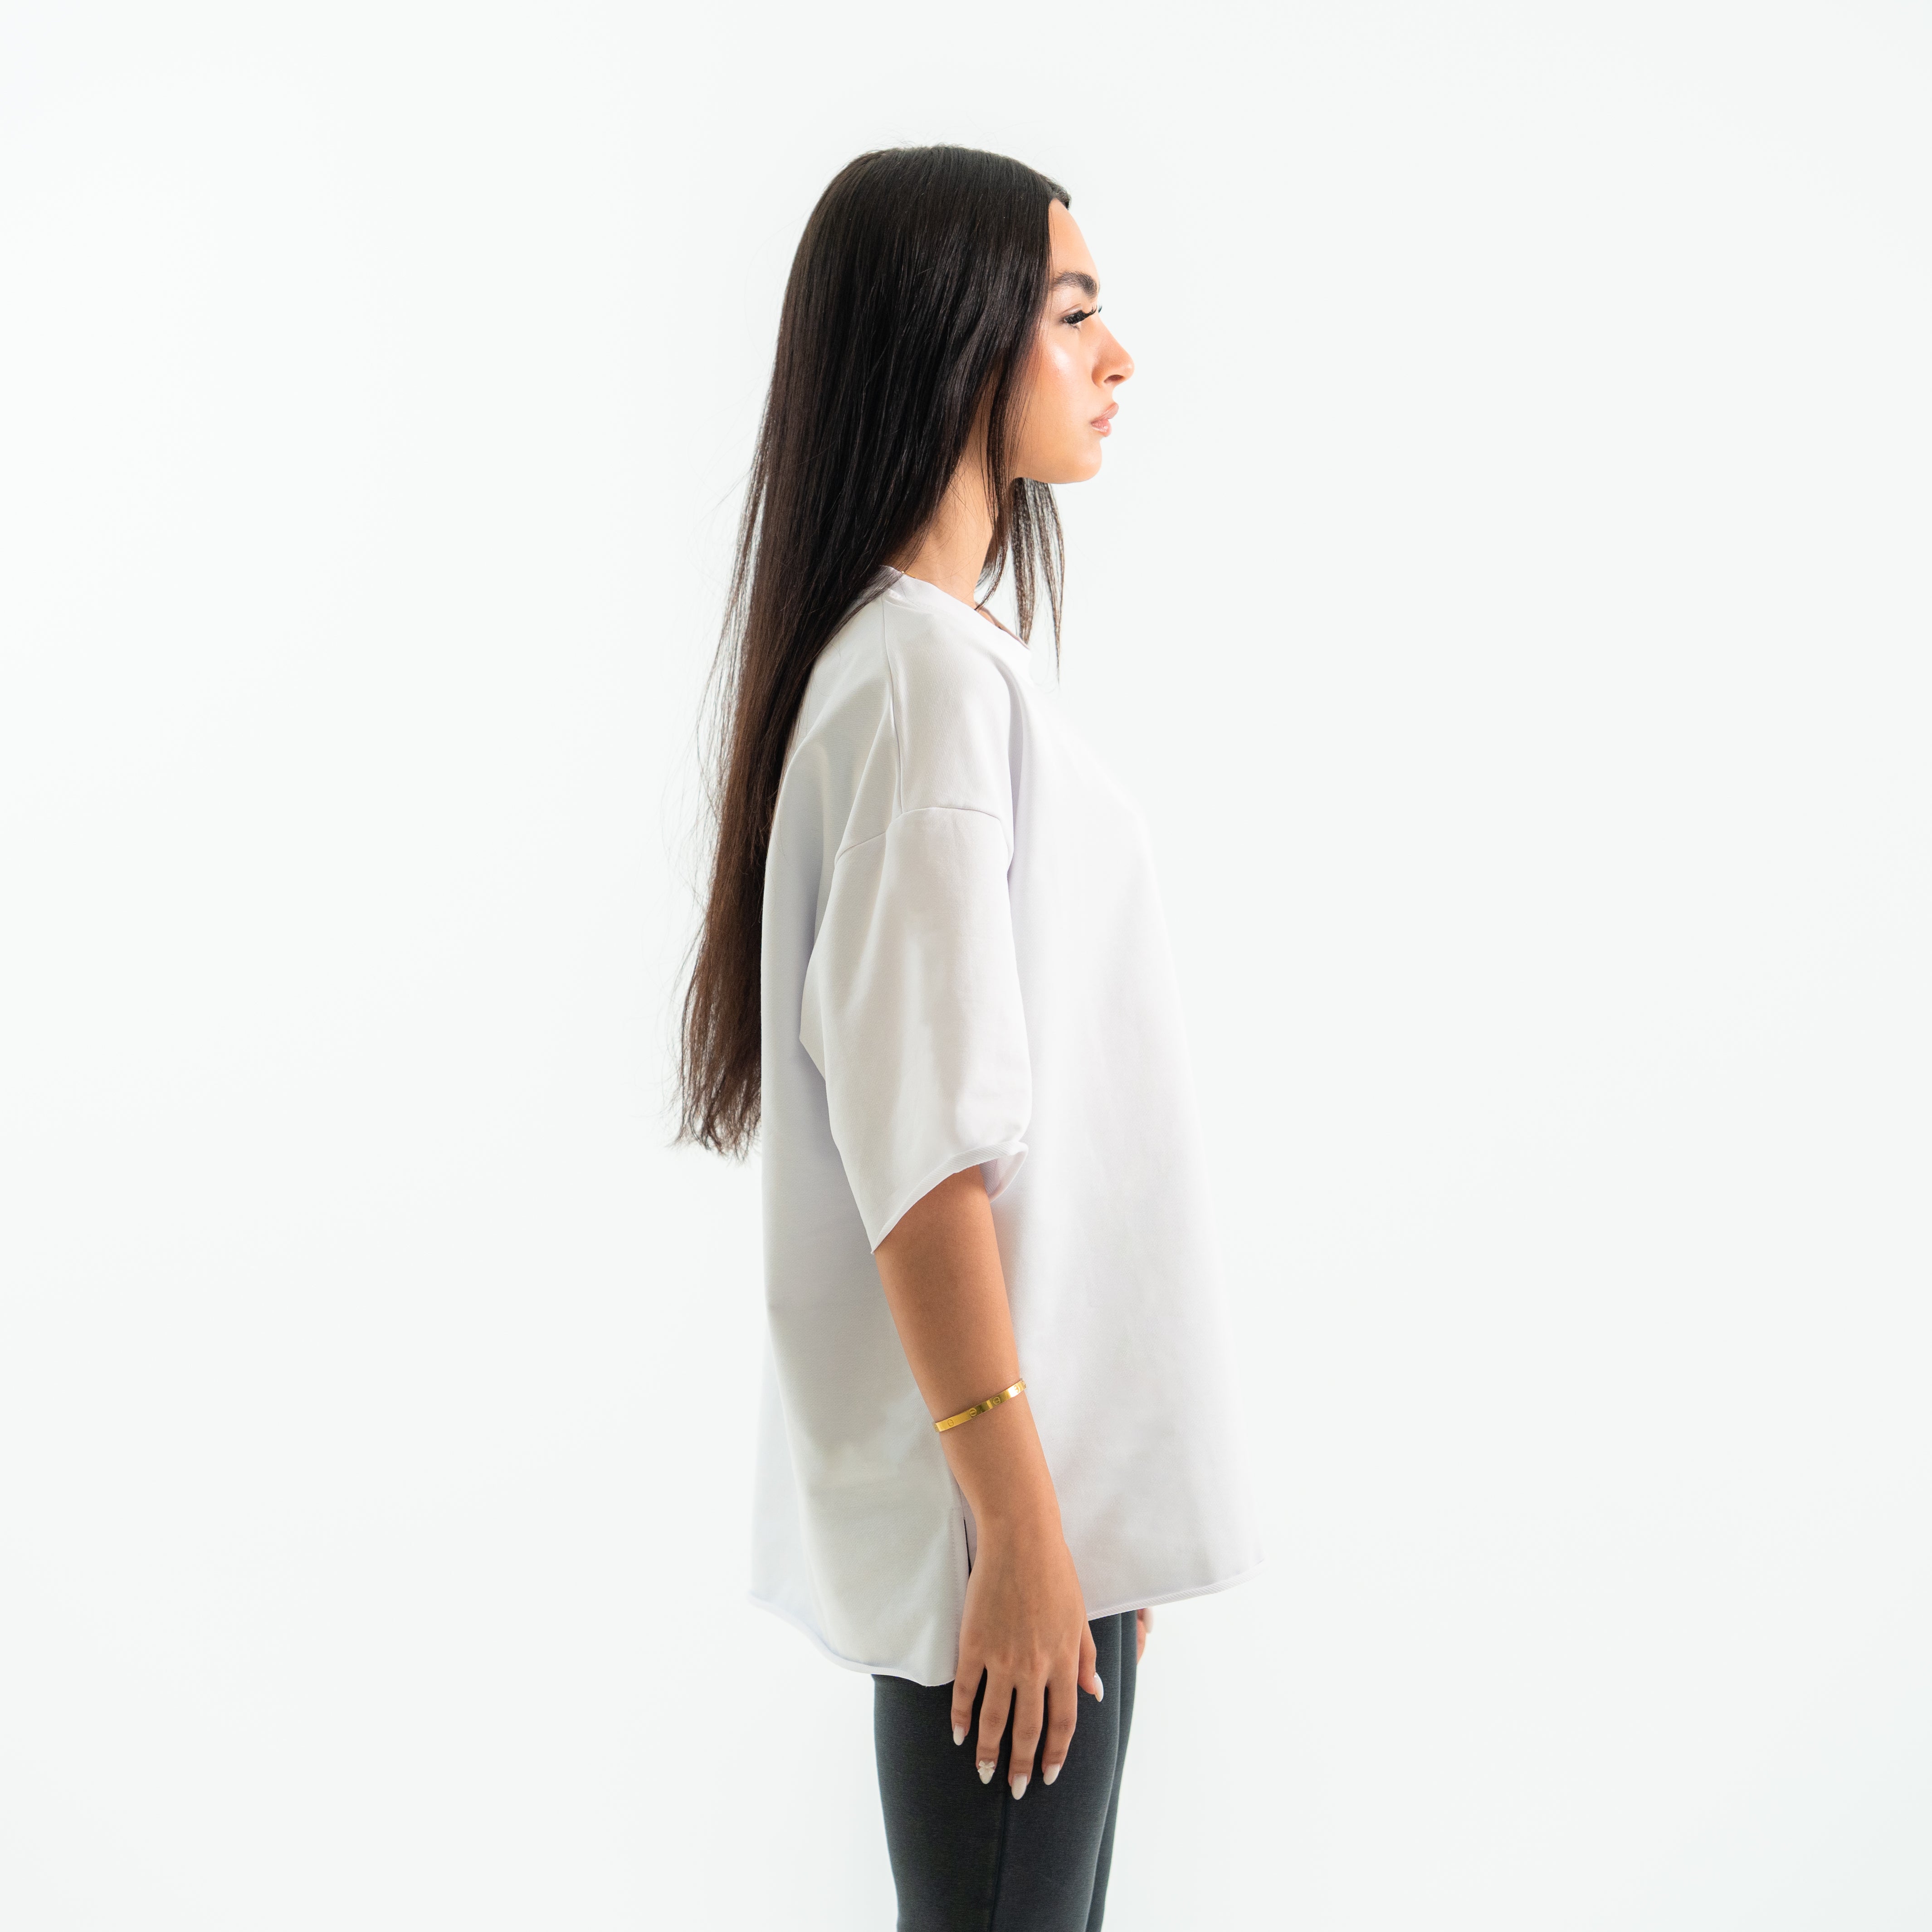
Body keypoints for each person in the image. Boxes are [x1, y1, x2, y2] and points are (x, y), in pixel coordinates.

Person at [678, 145, 1259, 1930]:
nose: (1117, 356)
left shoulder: (925, 664)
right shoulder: (921, 689)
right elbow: (925, 1157)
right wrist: (1020, 1518)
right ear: (963, 335)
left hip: (1024, 1515)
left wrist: (1069, 1511)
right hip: (995, 1528)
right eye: (1076, 311)